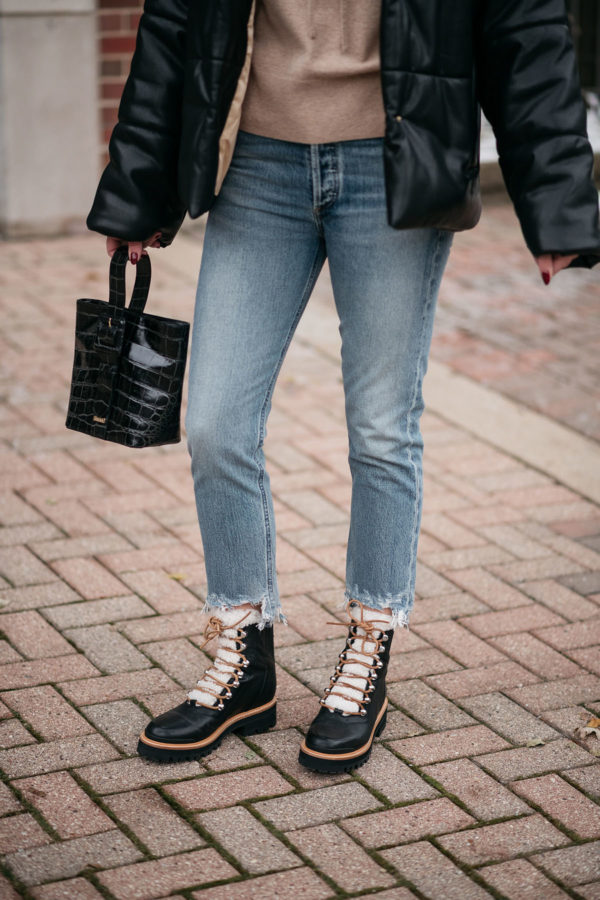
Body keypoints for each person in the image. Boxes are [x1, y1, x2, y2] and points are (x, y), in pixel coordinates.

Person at [86, 0, 600, 774]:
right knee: (217, 423)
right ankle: (243, 653)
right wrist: (138, 191)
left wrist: (556, 200)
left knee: (382, 427)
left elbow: (523, 28)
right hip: (256, 162)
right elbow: (173, 26)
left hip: (393, 161)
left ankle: (367, 648)